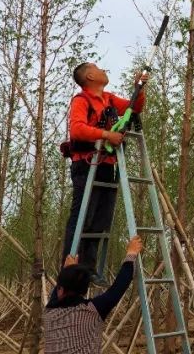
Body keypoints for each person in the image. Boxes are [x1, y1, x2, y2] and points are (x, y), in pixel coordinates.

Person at [62, 62, 148, 281]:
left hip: (109, 167)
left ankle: (88, 269)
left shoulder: (108, 99)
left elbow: (133, 108)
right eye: (98, 68)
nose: (104, 70)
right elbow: (77, 129)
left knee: (101, 221)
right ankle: (71, 269)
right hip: (87, 166)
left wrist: (139, 88)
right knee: (83, 218)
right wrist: (107, 135)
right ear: (90, 76)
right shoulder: (81, 101)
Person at [43, 235, 143, 354]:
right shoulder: (92, 311)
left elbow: (57, 297)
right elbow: (119, 286)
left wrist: (68, 271)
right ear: (84, 290)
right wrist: (131, 253)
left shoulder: (49, 313)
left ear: (61, 288)